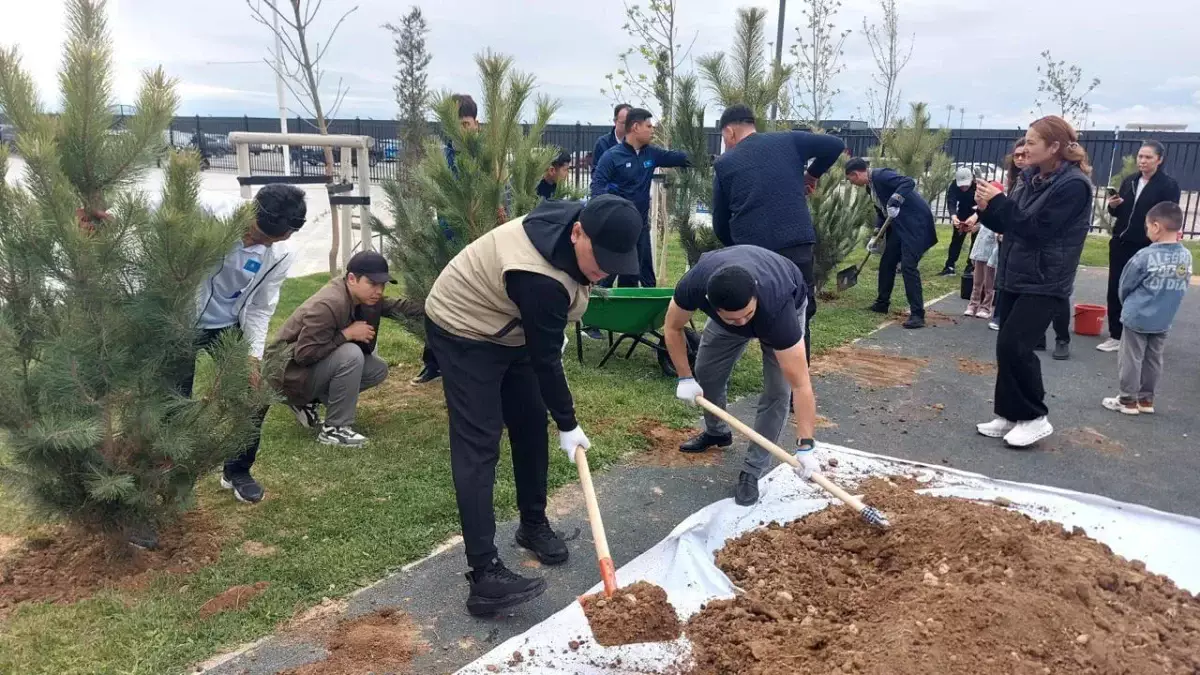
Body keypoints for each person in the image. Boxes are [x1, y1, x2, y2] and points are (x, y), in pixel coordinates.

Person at [423, 194, 643, 616]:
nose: (603, 271)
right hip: (464, 327)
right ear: (578, 231)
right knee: (479, 442)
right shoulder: (538, 279)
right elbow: (546, 362)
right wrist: (569, 422)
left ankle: (532, 523)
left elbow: (542, 347)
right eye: (601, 259)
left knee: (528, 424)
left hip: (512, 325)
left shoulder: (580, 225)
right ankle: (484, 575)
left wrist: (556, 418)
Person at [173, 183, 306, 507]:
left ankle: (237, 471)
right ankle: (170, 482)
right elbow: (159, 205)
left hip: (226, 327)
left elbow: (261, 307)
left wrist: (251, 356)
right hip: (178, 324)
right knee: (171, 404)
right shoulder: (212, 207)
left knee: (254, 395)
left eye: (261, 240)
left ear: (284, 236)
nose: (250, 240)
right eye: (250, 232)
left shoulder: (280, 255)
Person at [665, 246, 819, 506]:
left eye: (747, 316)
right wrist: (684, 376)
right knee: (707, 373)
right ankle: (717, 432)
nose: (743, 324)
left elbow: (801, 384)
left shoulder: (777, 310)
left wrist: (806, 445)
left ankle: (752, 469)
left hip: (783, 305)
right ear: (710, 304)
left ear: (755, 295)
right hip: (732, 309)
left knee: (777, 392)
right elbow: (672, 326)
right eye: (734, 319)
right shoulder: (695, 284)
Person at [973, 115, 1092, 448]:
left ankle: (1035, 417)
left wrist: (1001, 204)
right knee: (1005, 346)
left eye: (1031, 142)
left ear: (1054, 147)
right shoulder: (1029, 177)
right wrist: (986, 208)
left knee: (1017, 344)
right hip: (1016, 272)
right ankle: (1009, 414)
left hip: (1045, 279)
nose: (1024, 148)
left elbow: (1037, 229)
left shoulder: (1073, 185)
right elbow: (1009, 222)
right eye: (1024, 141)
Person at [710, 103, 845, 364]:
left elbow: (720, 222)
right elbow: (834, 145)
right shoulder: (787, 140)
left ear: (729, 132)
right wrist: (811, 174)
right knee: (798, 314)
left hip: (754, 253)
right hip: (797, 243)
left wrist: (735, 247)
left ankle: (769, 375)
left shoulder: (726, 163)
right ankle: (796, 389)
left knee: (754, 311)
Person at [268, 251, 424, 446]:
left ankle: (306, 403)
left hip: (303, 371)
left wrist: (434, 305)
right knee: (350, 355)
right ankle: (334, 429)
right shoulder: (329, 304)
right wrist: (346, 335)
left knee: (376, 369)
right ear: (351, 278)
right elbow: (304, 355)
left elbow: (397, 307)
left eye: (382, 285)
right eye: (373, 283)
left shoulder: (364, 297)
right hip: (286, 376)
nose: (379, 291)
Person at [412, 93, 481, 386]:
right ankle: (434, 362)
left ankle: (475, 361)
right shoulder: (444, 156)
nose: (461, 131)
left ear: (476, 123)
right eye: (454, 125)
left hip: (479, 237)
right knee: (439, 301)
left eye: (465, 124)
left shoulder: (486, 156)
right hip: (448, 237)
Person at [1101, 201, 1192, 415]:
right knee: (1153, 358)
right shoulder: (1186, 257)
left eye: (1147, 226)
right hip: (1164, 316)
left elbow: (1125, 285)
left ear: (1156, 226)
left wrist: (1127, 305)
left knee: (1131, 357)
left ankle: (1127, 399)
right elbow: (1182, 285)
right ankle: (1146, 399)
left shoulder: (1145, 256)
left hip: (1138, 314)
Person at [590, 107, 690, 287]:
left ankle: (632, 312)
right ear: (635, 127)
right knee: (604, 278)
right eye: (649, 126)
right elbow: (597, 187)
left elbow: (677, 158)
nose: (652, 130)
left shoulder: (651, 154)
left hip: (640, 226)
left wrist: (708, 159)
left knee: (634, 276)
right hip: (616, 229)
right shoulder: (611, 156)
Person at [1099, 140, 1182, 353]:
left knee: (1144, 291)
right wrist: (1113, 206)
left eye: (1148, 157)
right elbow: (1119, 213)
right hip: (1121, 241)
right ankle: (1116, 335)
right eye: (1140, 157)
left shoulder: (1168, 185)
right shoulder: (1130, 181)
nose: (1142, 161)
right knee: (1116, 287)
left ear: (1159, 160)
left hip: (1147, 246)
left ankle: (1141, 333)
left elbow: (1167, 215)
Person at [844, 158, 938, 328]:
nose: (851, 183)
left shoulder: (881, 176)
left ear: (855, 174)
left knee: (908, 266)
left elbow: (908, 182)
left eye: (850, 180)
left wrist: (896, 199)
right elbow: (881, 211)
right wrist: (876, 235)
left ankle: (917, 314)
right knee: (887, 262)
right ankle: (882, 303)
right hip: (899, 226)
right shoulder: (870, 187)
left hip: (915, 225)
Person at [990, 139, 1029, 331]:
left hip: (1023, 241)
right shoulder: (1014, 179)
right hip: (1008, 235)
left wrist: (996, 200)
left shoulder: (1033, 182)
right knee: (1001, 273)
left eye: (1024, 155)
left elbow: (1022, 214)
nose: (1020, 159)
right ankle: (999, 314)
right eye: (1017, 155)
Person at [964, 181, 1002, 319]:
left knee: (989, 283)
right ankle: (972, 305)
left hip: (991, 253)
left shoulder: (999, 212)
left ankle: (985, 307)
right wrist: (970, 226)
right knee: (977, 281)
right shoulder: (983, 211)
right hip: (980, 251)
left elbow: (999, 231)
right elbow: (978, 226)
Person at [942, 167, 980, 276]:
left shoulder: (978, 185)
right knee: (956, 239)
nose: (963, 187)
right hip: (962, 212)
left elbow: (984, 204)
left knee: (975, 241)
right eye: (961, 185)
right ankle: (949, 266)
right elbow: (951, 201)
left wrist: (975, 218)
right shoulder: (954, 185)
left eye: (966, 185)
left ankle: (970, 266)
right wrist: (954, 216)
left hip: (977, 213)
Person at [592, 103, 631, 170]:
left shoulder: (637, 143)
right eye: (624, 123)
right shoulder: (602, 143)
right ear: (615, 121)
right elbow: (596, 172)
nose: (628, 126)